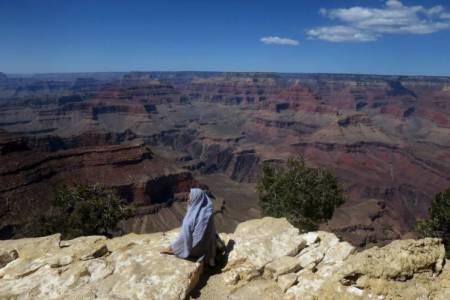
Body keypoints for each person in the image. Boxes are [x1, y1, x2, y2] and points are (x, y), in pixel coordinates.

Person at [160, 188, 217, 266]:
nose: (188, 200)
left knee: (177, 246)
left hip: (194, 250)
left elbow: (184, 238)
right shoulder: (208, 211)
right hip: (207, 248)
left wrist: (172, 248)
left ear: (196, 199)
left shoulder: (191, 218)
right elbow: (212, 232)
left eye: (190, 197)